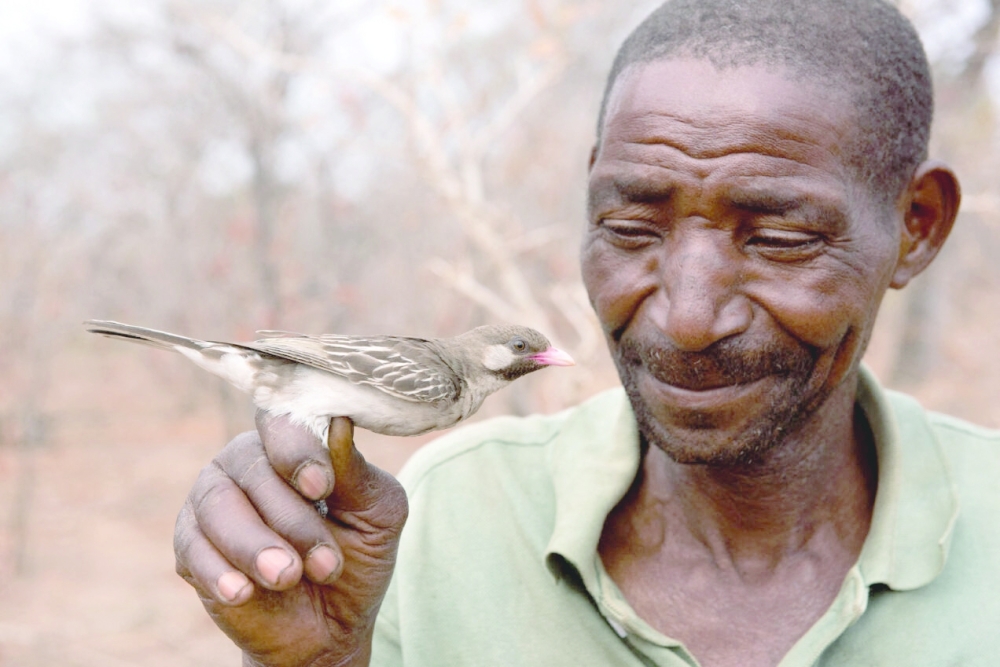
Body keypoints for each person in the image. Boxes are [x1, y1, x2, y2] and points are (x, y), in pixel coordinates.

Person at [172, 0, 1000, 665]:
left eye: (779, 238)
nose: (686, 315)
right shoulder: (437, 524)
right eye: (632, 226)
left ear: (916, 226)